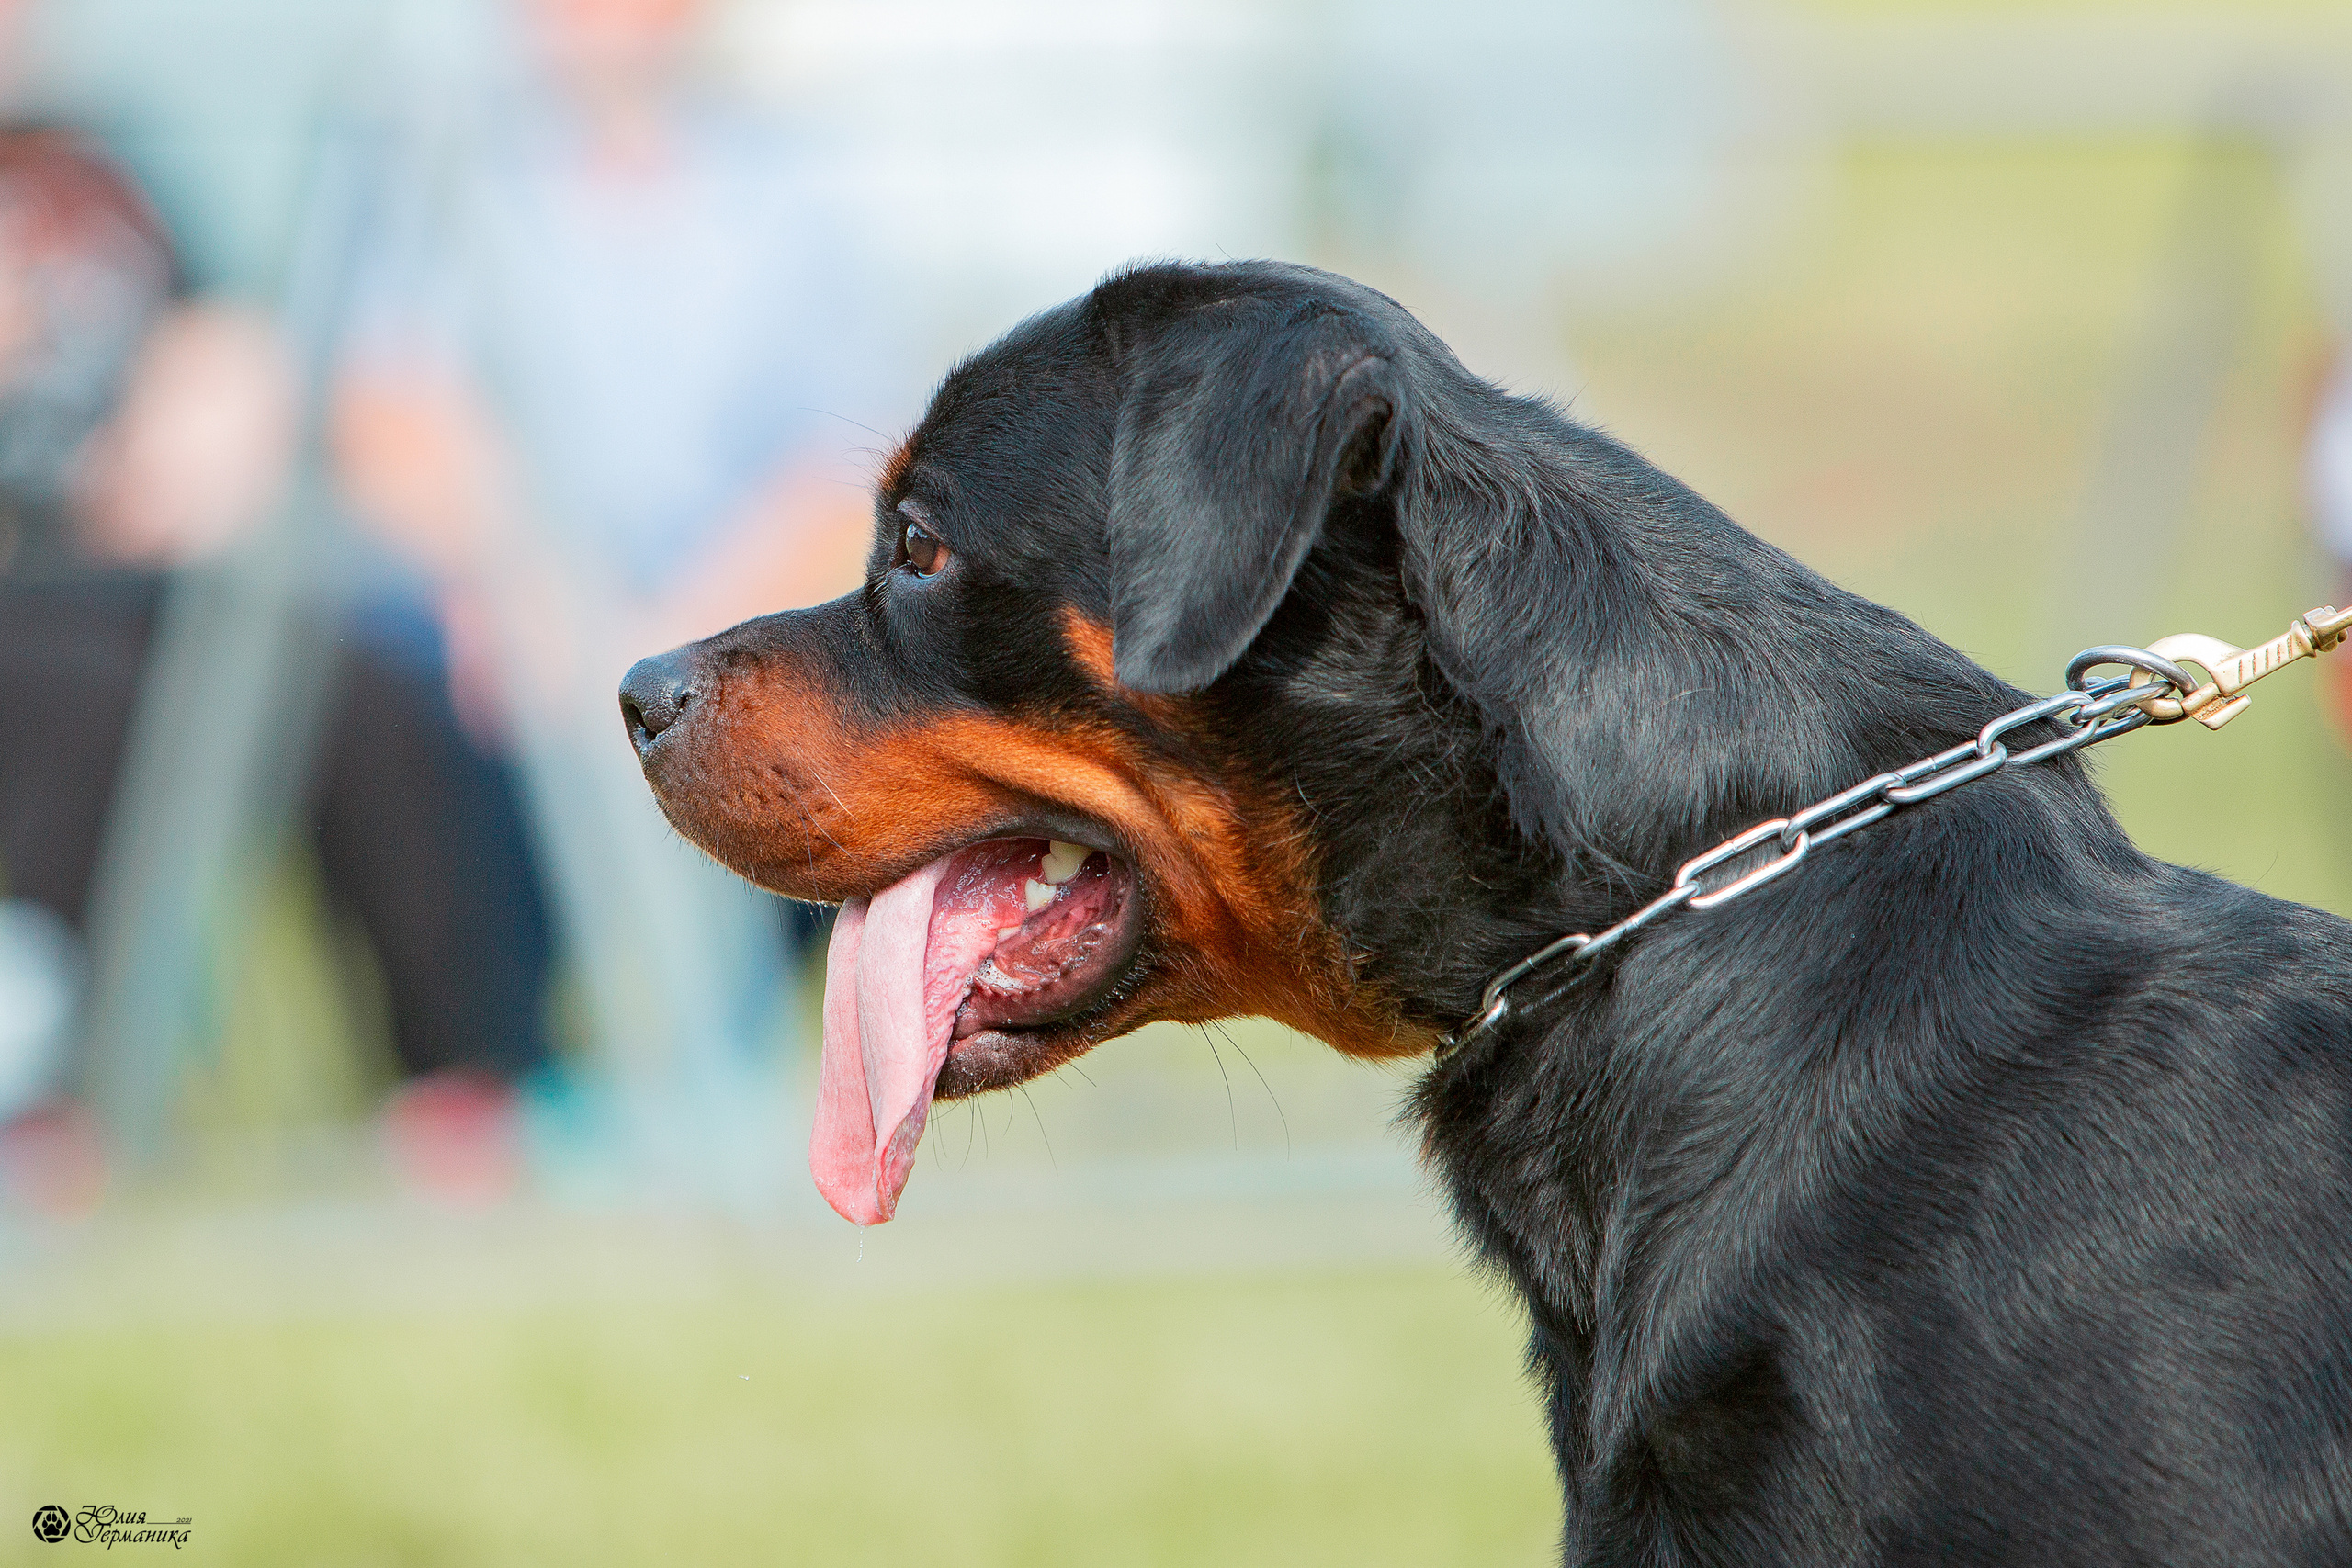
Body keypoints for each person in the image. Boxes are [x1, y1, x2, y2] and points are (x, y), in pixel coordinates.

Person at [0, 124, 557, 1209]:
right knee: (90, 704)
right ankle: (46, 1101)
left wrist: (211, 428)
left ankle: (457, 1087)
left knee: (354, 684)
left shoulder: (96, 163)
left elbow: (219, 349)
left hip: (147, 558)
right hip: (24, 596)